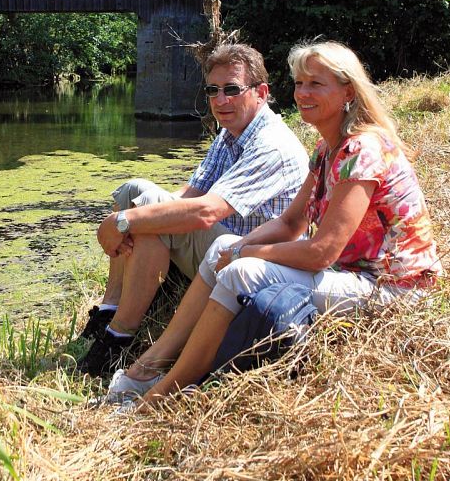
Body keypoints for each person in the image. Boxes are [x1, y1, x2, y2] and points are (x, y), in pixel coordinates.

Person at [100, 41, 442, 406]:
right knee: (221, 249)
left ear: (348, 91)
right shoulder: (329, 149)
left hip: (393, 290)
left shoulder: (363, 150)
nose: (303, 93)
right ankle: (148, 368)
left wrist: (245, 252)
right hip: (354, 277)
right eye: (298, 83)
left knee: (240, 271)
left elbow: (322, 252)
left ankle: (157, 397)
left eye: (316, 84)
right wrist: (232, 249)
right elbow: (292, 222)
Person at [76, 43, 309, 377]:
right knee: (135, 190)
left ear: (261, 92)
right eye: (213, 90)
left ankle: (117, 340)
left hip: (247, 260)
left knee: (147, 215)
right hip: (219, 244)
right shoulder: (230, 132)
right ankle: (109, 311)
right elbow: (190, 192)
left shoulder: (272, 145)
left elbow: (207, 212)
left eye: (232, 89)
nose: (220, 100)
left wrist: (124, 221)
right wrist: (139, 209)